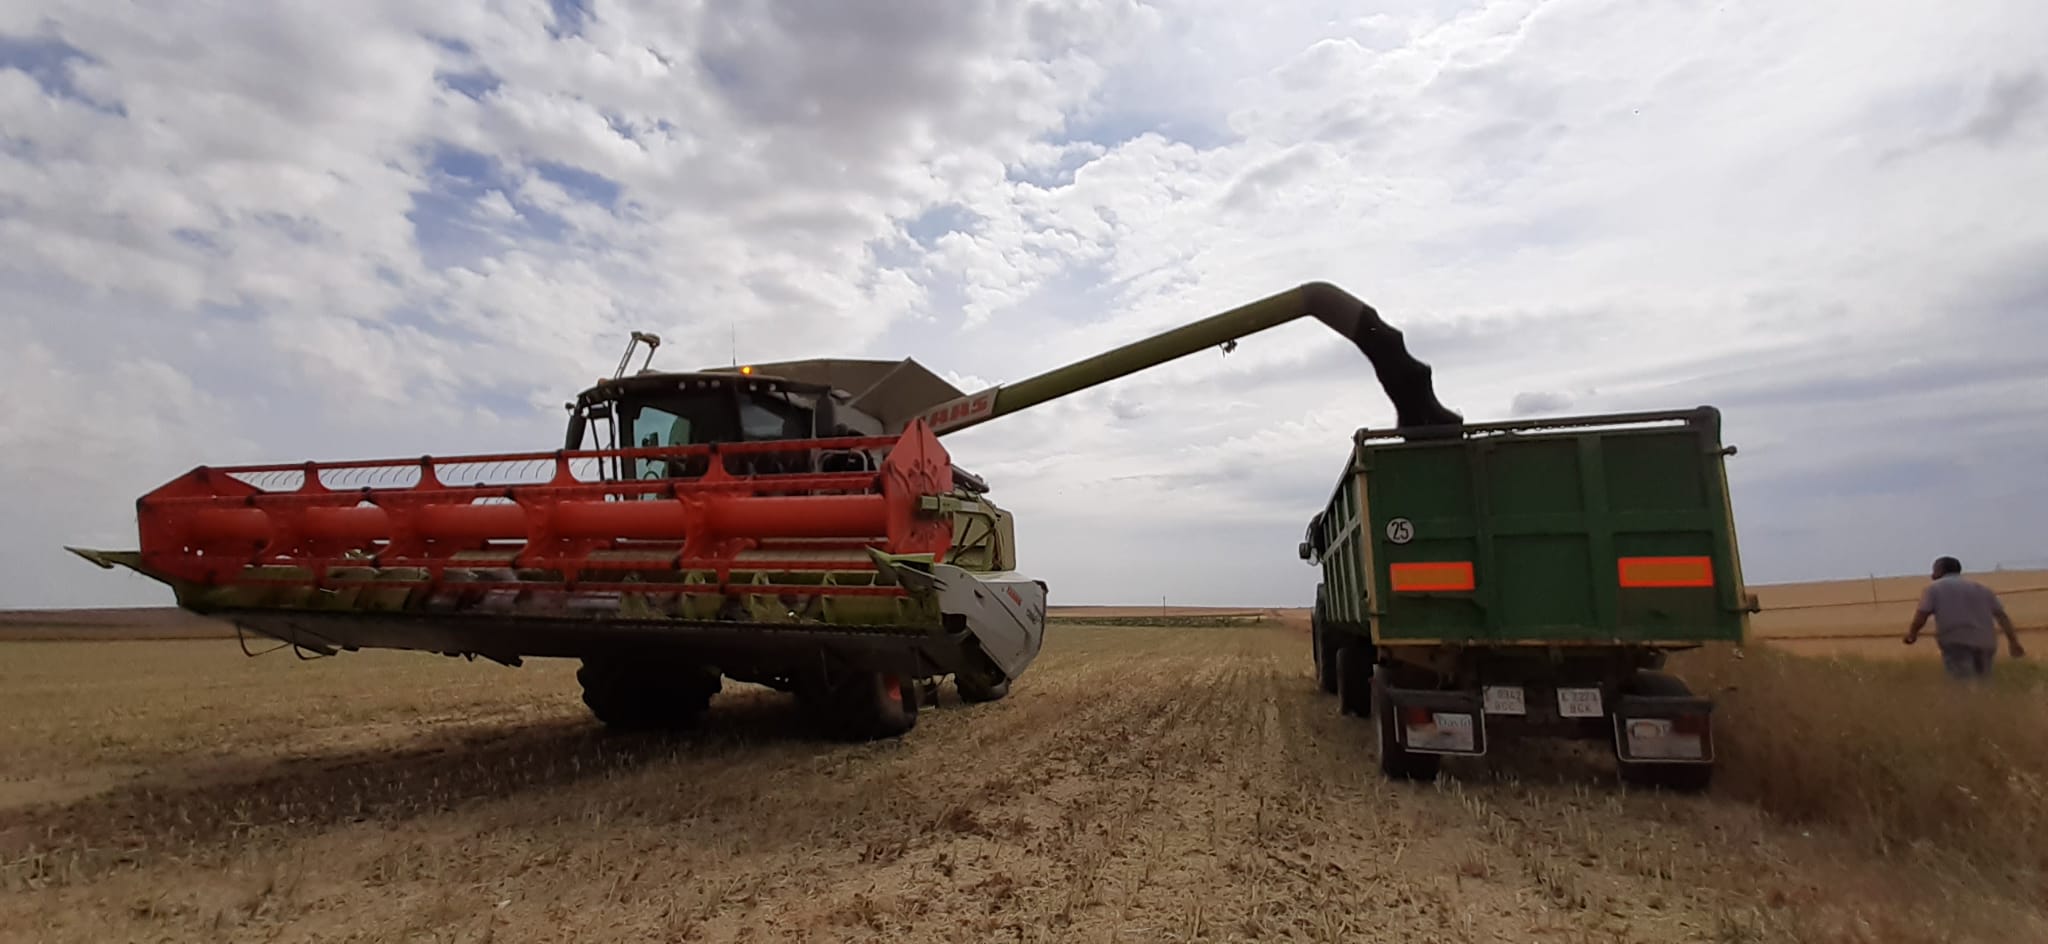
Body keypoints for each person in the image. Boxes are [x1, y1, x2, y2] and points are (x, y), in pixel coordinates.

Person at [1904, 556, 2026, 680]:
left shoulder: (1934, 589)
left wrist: (1912, 634)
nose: (1932, 574)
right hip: (1985, 642)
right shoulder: (1983, 589)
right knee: (1984, 683)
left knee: (1961, 684)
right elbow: (2002, 617)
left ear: (1940, 570)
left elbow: (1922, 615)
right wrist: (2013, 642)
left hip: (1956, 641)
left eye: (1934, 570)